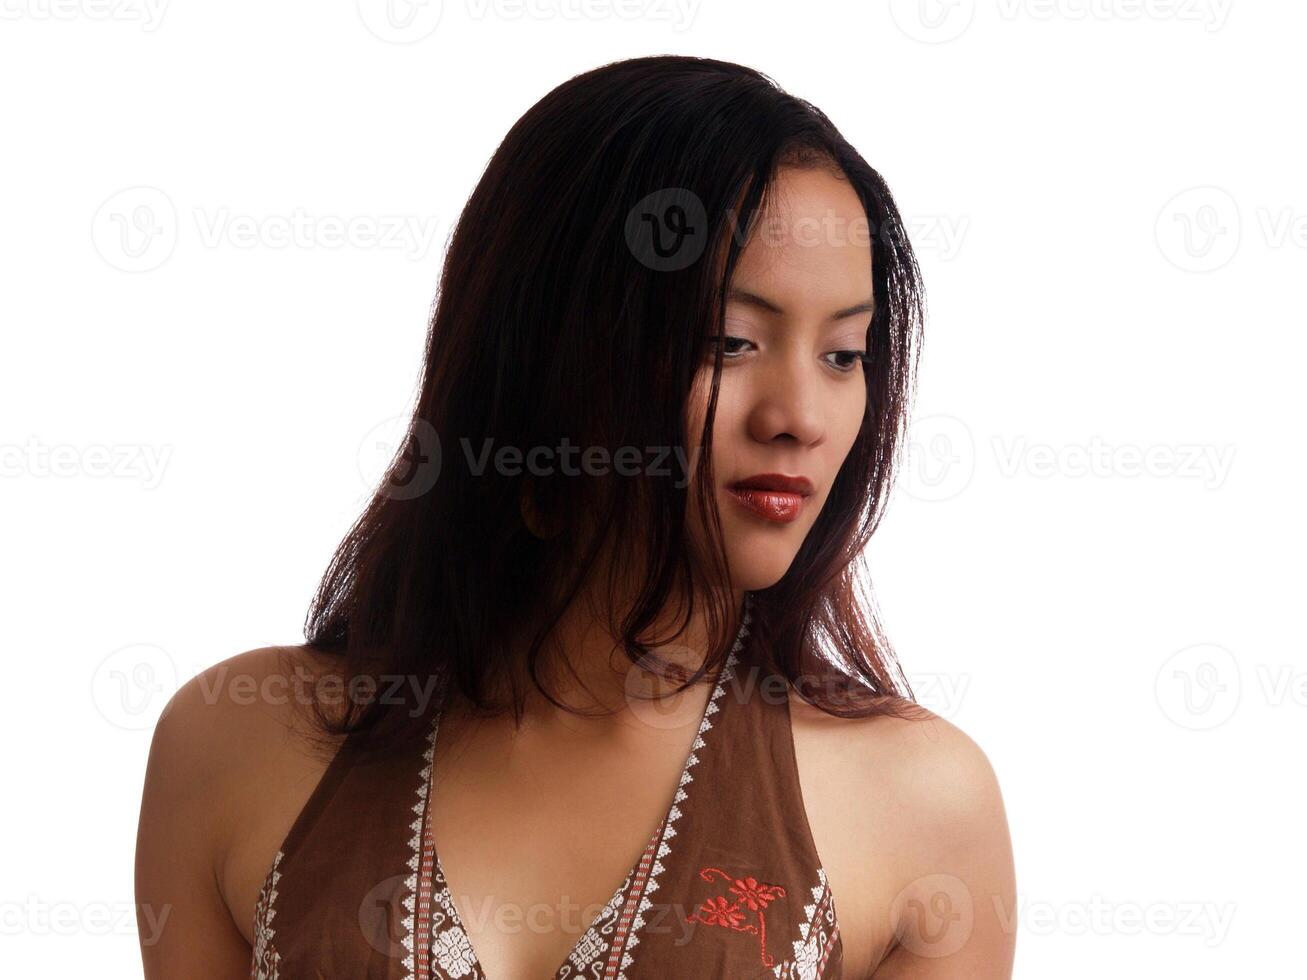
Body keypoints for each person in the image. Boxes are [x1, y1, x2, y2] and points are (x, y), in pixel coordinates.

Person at [136, 54, 1016, 979]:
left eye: (842, 353)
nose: (797, 414)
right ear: (549, 349)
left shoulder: (917, 805)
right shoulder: (233, 744)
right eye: (728, 342)